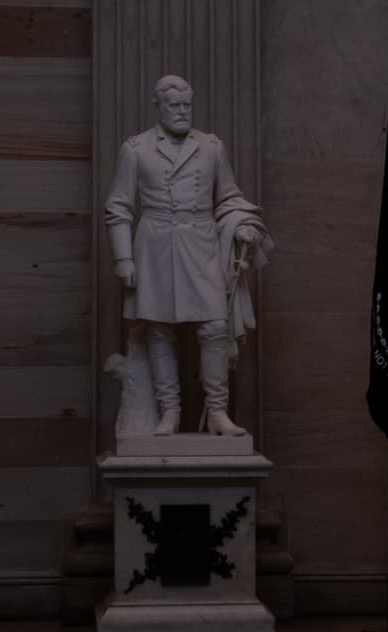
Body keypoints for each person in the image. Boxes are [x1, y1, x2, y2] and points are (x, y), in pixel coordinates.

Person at [105, 74, 272, 437]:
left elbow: (228, 196)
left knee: (214, 327)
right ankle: (170, 412)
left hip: (201, 246)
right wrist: (124, 260)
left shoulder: (212, 148)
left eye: (187, 105)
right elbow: (117, 208)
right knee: (159, 330)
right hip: (154, 248)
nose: (182, 112)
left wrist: (243, 224)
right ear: (158, 106)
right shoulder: (136, 149)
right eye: (174, 106)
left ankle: (217, 412)